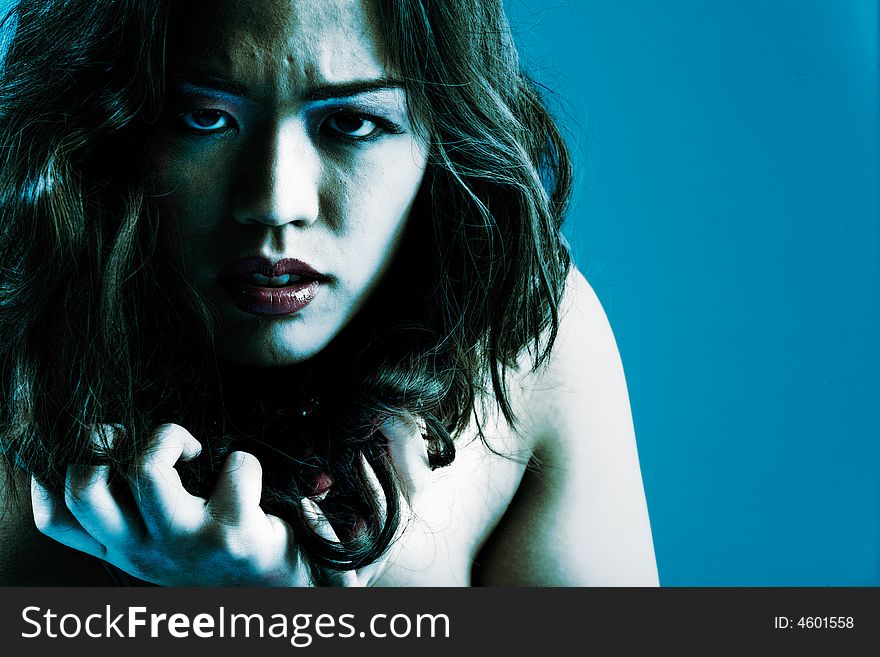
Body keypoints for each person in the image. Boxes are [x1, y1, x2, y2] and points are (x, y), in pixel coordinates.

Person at [0, 0, 659, 587]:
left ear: (443, 137)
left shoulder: (521, 339)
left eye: (351, 123)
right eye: (203, 117)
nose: (274, 203)